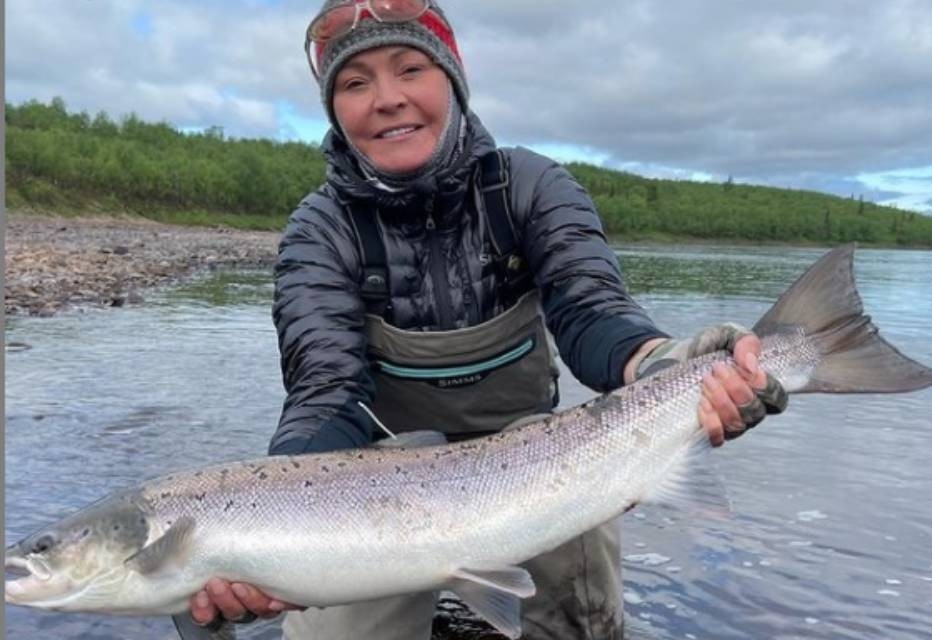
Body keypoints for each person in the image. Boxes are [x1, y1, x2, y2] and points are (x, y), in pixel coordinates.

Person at [189, 1, 787, 638]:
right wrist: (264, 534)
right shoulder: (320, 229)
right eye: (355, 83)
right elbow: (326, 390)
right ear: (335, 110)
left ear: (452, 80)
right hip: (375, 493)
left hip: (537, 473)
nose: (387, 99)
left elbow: (592, 315)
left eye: (410, 69)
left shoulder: (530, 186)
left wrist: (673, 364)